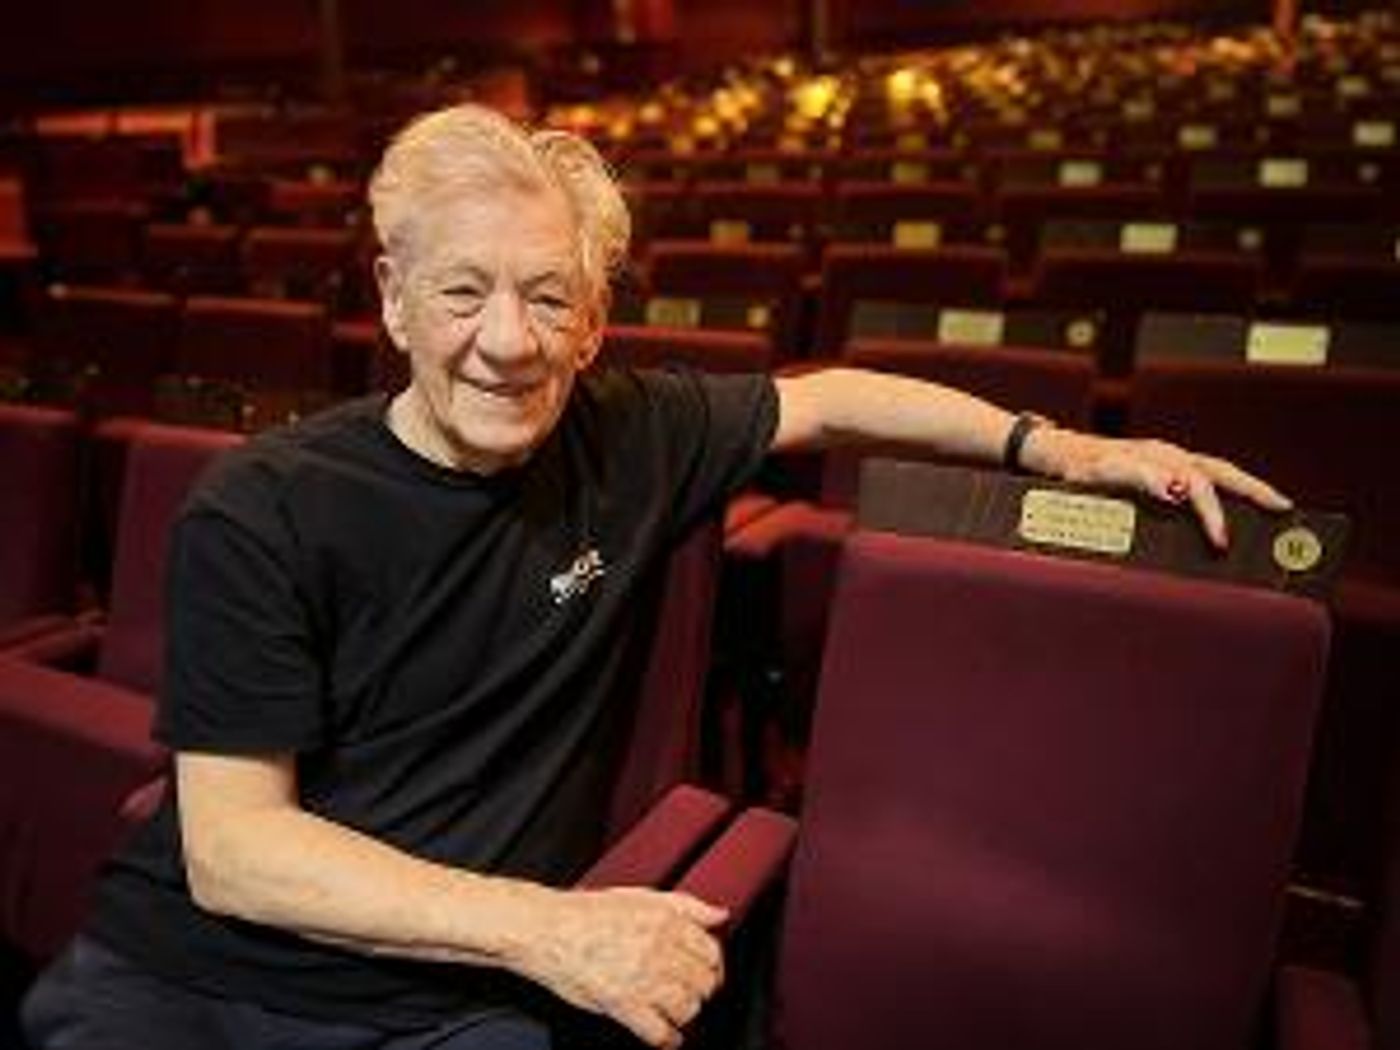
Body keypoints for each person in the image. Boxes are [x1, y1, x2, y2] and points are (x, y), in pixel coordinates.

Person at [21, 103, 1289, 1050]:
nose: (506, 343)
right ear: (392, 300)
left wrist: (1067, 447)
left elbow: (835, 399)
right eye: (463, 292)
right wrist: (556, 929)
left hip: (453, 1011)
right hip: (191, 981)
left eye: (547, 297)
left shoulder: (633, 430)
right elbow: (240, 857)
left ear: (594, 320)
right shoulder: (260, 507)